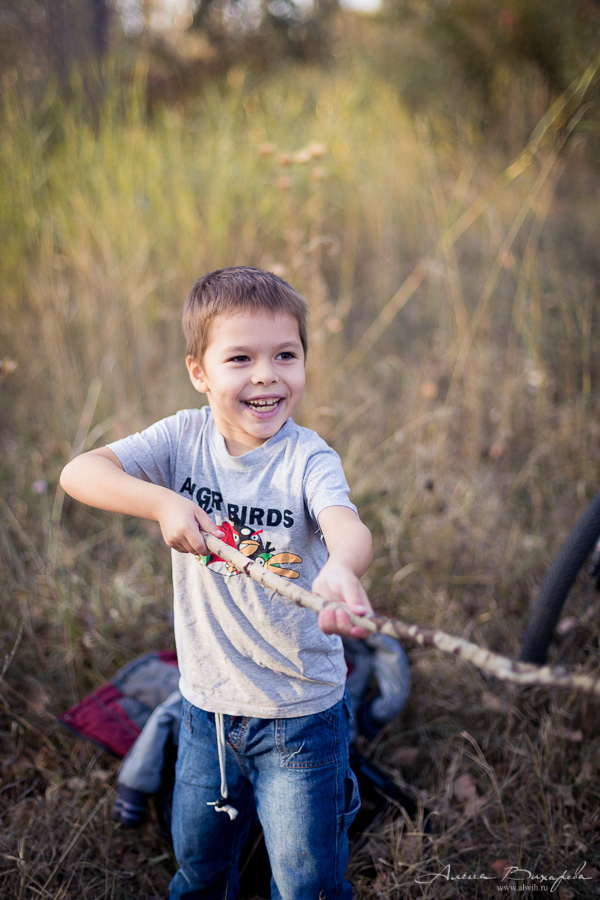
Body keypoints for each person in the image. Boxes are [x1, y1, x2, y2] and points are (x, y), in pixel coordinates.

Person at [60, 265, 374, 900]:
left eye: (285, 354)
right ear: (200, 373)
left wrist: (342, 567)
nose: (266, 374)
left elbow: (347, 526)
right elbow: (78, 472)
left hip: (299, 715)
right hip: (206, 709)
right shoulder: (183, 439)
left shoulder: (308, 459)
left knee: (305, 880)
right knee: (200, 868)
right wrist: (163, 504)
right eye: (241, 358)